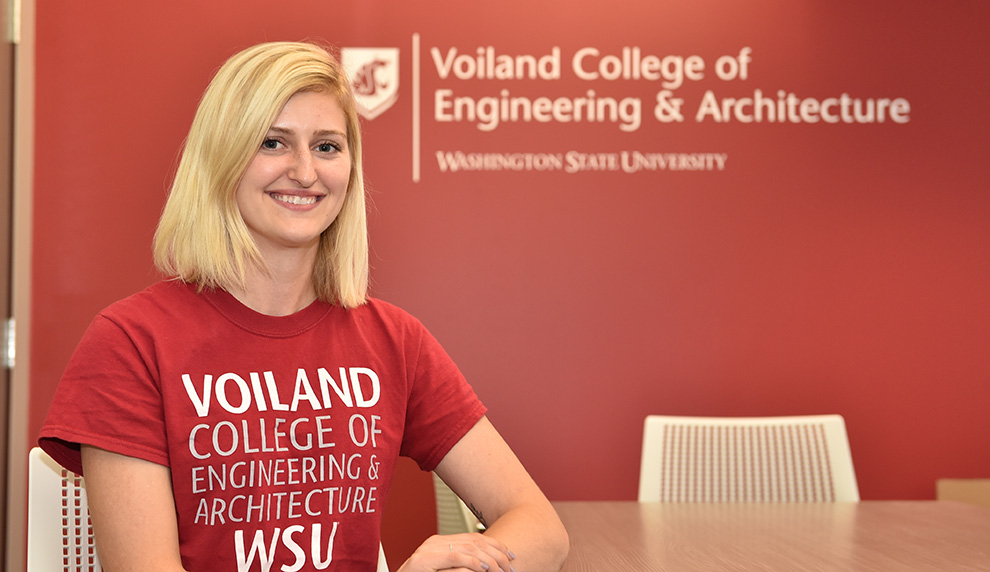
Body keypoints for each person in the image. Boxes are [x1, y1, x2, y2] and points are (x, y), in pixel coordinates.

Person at [38, 40, 568, 572]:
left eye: (327, 147)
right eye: (273, 143)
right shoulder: (131, 342)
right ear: (222, 158)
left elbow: (540, 526)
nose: (305, 172)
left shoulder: (394, 340)